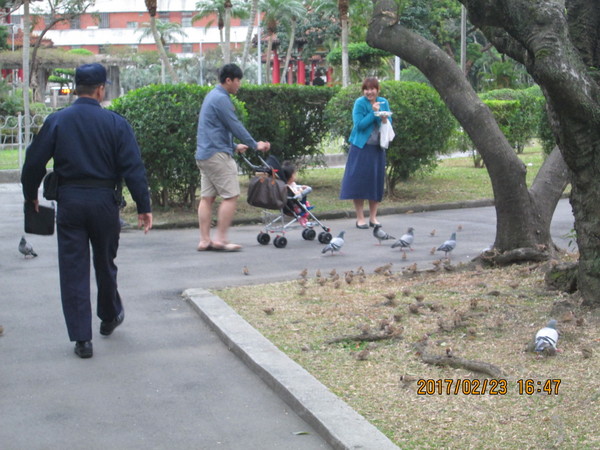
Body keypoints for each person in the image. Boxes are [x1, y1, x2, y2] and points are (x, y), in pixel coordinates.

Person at [21, 63, 153, 359]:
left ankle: (82, 340)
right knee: (105, 262)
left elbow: (33, 163)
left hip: (70, 201)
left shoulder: (57, 121)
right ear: (100, 89)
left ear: (77, 88)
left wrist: (31, 195)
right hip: (105, 202)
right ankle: (108, 316)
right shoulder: (116, 124)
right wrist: (144, 207)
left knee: (73, 268)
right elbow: (133, 169)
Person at [195, 63, 270, 252]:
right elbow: (234, 125)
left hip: (204, 154)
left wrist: (234, 146)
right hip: (217, 155)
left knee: (207, 198)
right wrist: (255, 144)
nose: (239, 85)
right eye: (238, 81)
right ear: (228, 80)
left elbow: (212, 129)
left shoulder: (211, 96)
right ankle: (220, 239)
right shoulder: (221, 99)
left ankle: (205, 240)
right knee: (231, 196)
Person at [339, 77, 392, 229]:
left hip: (377, 148)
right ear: (363, 91)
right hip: (361, 148)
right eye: (366, 89)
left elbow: (389, 123)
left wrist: (383, 119)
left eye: (372, 89)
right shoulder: (360, 103)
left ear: (377, 90)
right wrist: (373, 113)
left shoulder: (384, 102)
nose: (369, 92)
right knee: (359, 183)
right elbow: (360, 125)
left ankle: (373, 217)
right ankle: (360, 218)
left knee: (375, 182)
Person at [281, 161, 312, 226]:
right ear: (291, 177)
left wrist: (301, 187)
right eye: (294, 174)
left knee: (304, 205)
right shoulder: (288, 187)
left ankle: (303, 219)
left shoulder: (284, 185)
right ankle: (302, 219)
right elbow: (296, 194)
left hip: (286, 207)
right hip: (294, 207)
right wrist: (301, 190)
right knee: (305, 206)